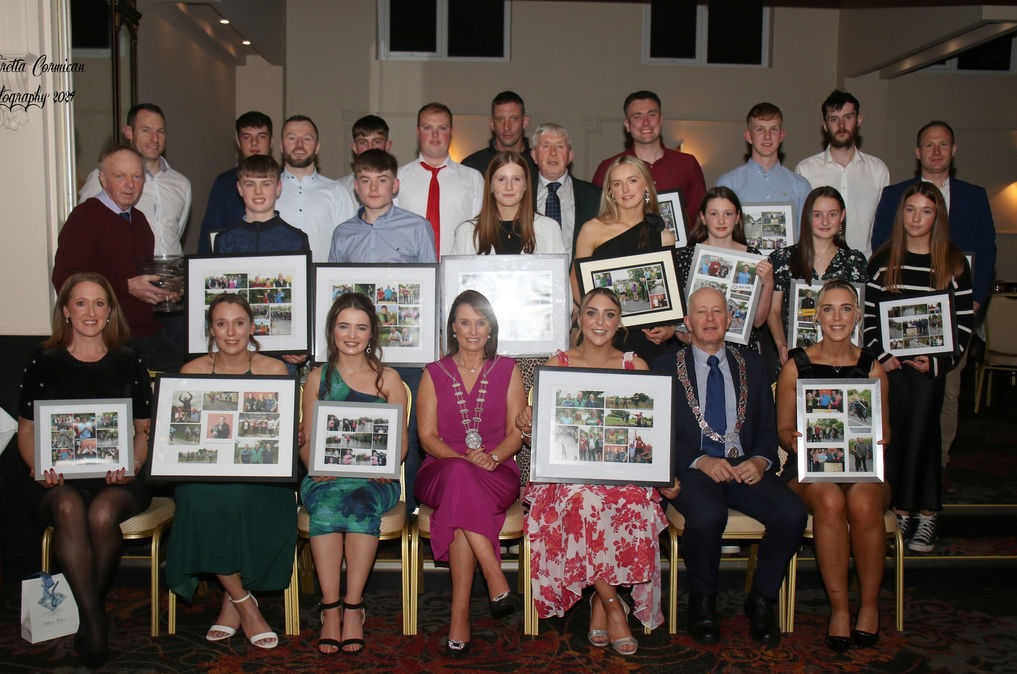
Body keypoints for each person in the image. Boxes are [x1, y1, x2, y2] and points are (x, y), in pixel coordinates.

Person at [651, 287, 807, 646]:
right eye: (701, 313)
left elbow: (768, 429)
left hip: (743, 466)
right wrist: (699, 460)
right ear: (687, 322)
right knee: (708, 515)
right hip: (692, 467)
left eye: (717, 312)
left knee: (792, 512)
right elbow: (657, 433)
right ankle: (703, 603)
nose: (709, 319)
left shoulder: (752, 362)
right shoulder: (663, 367)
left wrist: (761, 460)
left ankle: (762, 600)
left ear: (730, 320)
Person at [516, 288, 667, 656]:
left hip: (621, 475)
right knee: (584, 501)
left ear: (620, 322)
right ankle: (615, 607)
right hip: (569, 478)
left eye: (609, 314)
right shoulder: (559, 362)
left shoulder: (636, 366)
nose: (600, 322)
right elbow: (546, 433)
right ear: (579, 318)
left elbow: (649, 436)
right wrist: (527, 424)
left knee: (635, 503)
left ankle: (601, 601)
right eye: (592, 313)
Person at [17, 272, 152, 667]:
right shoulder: (44, 361)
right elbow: (26, 430)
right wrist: (39, 466)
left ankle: (87, 611)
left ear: (110, 311)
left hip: (119, 478)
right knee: (69, 508)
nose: (90, 312)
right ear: (66, 311)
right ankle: (94, 617)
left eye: (99, 303)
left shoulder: (129, 360)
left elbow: (144, 431)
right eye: (80, 303)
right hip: (56, 481)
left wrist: (133, 464)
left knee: (103, 512)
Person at [870, 121, 997, 492]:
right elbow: (881, 251)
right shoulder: (894, 194)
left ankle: (935, 468)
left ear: (953, 150)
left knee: (946, 397)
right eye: (929, 145)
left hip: (948, 324)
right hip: (894, 332)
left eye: (944, 144)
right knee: (894, 407)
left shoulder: (973, 196)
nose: (937, 151)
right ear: (918, 151)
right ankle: (894, 481)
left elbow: (986, 251)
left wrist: (972, 302)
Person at [165, 294, 296, 651]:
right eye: (221, 324)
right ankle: (244, 602)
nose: (231, 331)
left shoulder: (274, 370)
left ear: (252, 328)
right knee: (195, 497)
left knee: (238, 495)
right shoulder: (191, 372)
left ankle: (230, 597)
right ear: (211, 330)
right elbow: (184, 434)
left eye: (239, 322)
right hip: (206, 475)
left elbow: (283, 432)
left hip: (262, 478)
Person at [776, 280, 891, 653]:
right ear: (816, 316)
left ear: (857, 315)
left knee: (862, 502)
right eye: (828, 309)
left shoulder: (873, 368)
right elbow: (781, 430)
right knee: (828, 500)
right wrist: (797, 439)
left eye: (846, 308)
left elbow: (884, 431)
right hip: (810, 472)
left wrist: (879, 438)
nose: (837, 317)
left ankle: (869, 607)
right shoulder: (796, 366)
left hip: (862, 470)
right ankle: (840, 608)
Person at [863, 182, 974, 553]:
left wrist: (937, 361)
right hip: (891, 370)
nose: (916, 218)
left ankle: (926, 514)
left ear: (937, 216)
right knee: (892, 439)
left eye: (926, 211)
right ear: (901, 214)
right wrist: (881, 355)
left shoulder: (953, 263)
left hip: (929, 372)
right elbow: (868, 319)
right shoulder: (882, 261)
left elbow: (961, 324)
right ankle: (898, 512)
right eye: (910, 209)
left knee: (924, 438)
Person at [414, 290, 526, 655]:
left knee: (460, 502)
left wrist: (491, 458)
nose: (473, 330)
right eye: (465, 322)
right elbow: (427, 438)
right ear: (453, 328)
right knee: (459, 478)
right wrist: (464, 459)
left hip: (496, 471)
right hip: (440, 470)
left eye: (481, 322)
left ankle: (459, 612)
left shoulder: (509, 370)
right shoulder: (433, 373)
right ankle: (495, 575)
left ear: (491, 328)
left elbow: (517, 433)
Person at [299, 292, 408, 654]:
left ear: (372, 333)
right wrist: (315, 466)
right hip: (325, 477)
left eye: (361, 327)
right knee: (329, 501)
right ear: (332, 331)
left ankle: (354, 605)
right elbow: (306, 440)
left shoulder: (388, 379)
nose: (352, 334)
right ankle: (331, 608)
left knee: (360, 502)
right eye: (344, 326)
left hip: (375, 479)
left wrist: (386, 467)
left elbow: (401, 444)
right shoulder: (318, 378)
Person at [53, 145, 185, 372]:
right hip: (107, 336)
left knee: (185, 373)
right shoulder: (85, 218)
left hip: (146, 333)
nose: (130, 185)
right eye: (120, 176)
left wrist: (163, 292)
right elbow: (65, 280)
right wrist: (126, 286)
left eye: (136, 176)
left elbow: (138, 281)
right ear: (103, 180)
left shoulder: (141, 222)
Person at [573, 155, 676, 362]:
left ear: (646, 184)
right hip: (599, 335)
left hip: (645, 340)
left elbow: (668, 292)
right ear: (610, 192)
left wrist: (668, 327)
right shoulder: (592, 229)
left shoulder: (664, 236)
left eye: (632, 181)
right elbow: (576, 282)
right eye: (617, 184)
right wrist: (598, 318)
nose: (626, 190)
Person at [767, 186, 868, 364]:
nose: (825, 221)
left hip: (842, 358)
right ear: (807, 217)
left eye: (832, 214)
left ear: (842, 216)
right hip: (794, 356)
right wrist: (781, 344)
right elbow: (773, 311)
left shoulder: (854, 261)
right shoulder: (783, 259)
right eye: (817, 214)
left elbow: (859, 313)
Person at [78, 103, 191, 257]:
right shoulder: (104, 178)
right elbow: (84, 232)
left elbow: (176, 232)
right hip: (128, 277)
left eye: (160, 132)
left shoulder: (181, 184)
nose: (154, 139)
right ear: (129, 132)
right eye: (146, 130)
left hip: (173, 277)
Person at [672, 187, 774, 347]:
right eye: (714, 214)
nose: (721, 221)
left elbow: (758, 321)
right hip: (697, 346)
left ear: (738, 217)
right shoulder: (685, 257)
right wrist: (681, 334)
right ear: (703, 217)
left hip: (740, 348)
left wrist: (768, 283)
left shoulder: (753, 257)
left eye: (728, 214)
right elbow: (678, 312)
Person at [794, 90, 889, 257]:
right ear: (825, 124)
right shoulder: (806, 170)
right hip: (819, 268)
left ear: (859, 120)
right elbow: (802, 226)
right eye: (834, 119)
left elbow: (884, 226)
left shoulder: (878, 170)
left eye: (848, 117)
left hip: (865, 267)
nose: (842, 125)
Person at [591, 91, 705, 225]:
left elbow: (700, 215)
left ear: (661, 120)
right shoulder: (609, 167)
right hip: (627, 245)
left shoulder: (687, 163)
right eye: (637, 116)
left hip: (679, 245)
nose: (646, 123)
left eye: (652, 115)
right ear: (627, 125)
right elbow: (597, 216)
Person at [395, 102, 484, 257]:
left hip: (457, 272)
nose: (435, 135)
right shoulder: (398, 178)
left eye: (442, 128)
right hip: (411, 273)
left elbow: (481, 232)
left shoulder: (473, 179)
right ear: (418, 132)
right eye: (427, 128)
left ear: (451, 131)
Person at [716, 102, 812, 240]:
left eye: (774, 129)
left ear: (782, 135)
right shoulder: (728, 183)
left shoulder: (801, 186)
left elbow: (807, 237)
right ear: (749, 136)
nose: (767, 136)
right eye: (760, 129)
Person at [329, 149, 437, 263]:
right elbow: (332, 279)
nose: (373, 188)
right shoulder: (342, 233)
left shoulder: (418, 228)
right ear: (356, 186)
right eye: (365, 181)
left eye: (382, 180)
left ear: (395, 185)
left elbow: (431, 278)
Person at [275, 114, 357, 262]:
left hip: (322, 282)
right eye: (292, 138)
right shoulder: (267, 191)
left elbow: (349, 246)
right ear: (281, 145)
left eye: (307, 139)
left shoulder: (336, 192)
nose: (299, 145)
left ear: (317, 147)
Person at [451, 151, 566, 255]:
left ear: (525, 185)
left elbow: (560, 277)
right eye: (501, 179)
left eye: (516, 179)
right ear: (490, 185)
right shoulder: (466, 233)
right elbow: (453, 277)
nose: (509, 187)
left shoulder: (549, 229)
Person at [199, 110, 274, 253]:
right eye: (247, 137)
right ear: (239, 142)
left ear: (271, 141)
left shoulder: (283, 180)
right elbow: (209, 235)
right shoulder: (224, 183)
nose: (254, 143)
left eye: (261, 137)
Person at [529, 123, 602, 259]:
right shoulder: (520, 195)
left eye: (560, 147)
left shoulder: (595, 196)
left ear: (570, 156)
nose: (553, 153)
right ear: (534, 155)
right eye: (546, 146)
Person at [212, 154, 310, 254]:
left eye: (266, 184)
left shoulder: (296, 240)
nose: (258, 191)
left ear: (278, 188)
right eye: (250, 184)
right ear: (240, 188)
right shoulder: (224, 241)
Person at [462, 91, 537, 176]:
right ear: (492, 123)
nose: (507, 127)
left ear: (525, 122)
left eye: (514, 118)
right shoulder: (472, 167)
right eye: (500, 119)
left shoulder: (539, 165)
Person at [337, 115, 393, 201]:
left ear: (387, 145)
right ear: (354, 147)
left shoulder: (400, 185)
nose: (370, 147)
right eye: (363, 142)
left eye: (377, 142)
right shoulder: (340, 189)